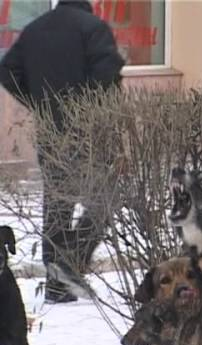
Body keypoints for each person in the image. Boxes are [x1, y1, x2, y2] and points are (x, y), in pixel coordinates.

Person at [0, 0, 124, 303]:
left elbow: (7, 71)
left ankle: (57, 283)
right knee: (106, 199)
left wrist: (39, 102)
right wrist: (92, 110)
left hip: (51, 131)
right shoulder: (93, 28)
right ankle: (71, 261)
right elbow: (107, 76)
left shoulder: (35, 30)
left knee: (57, 204)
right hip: (88, 132)